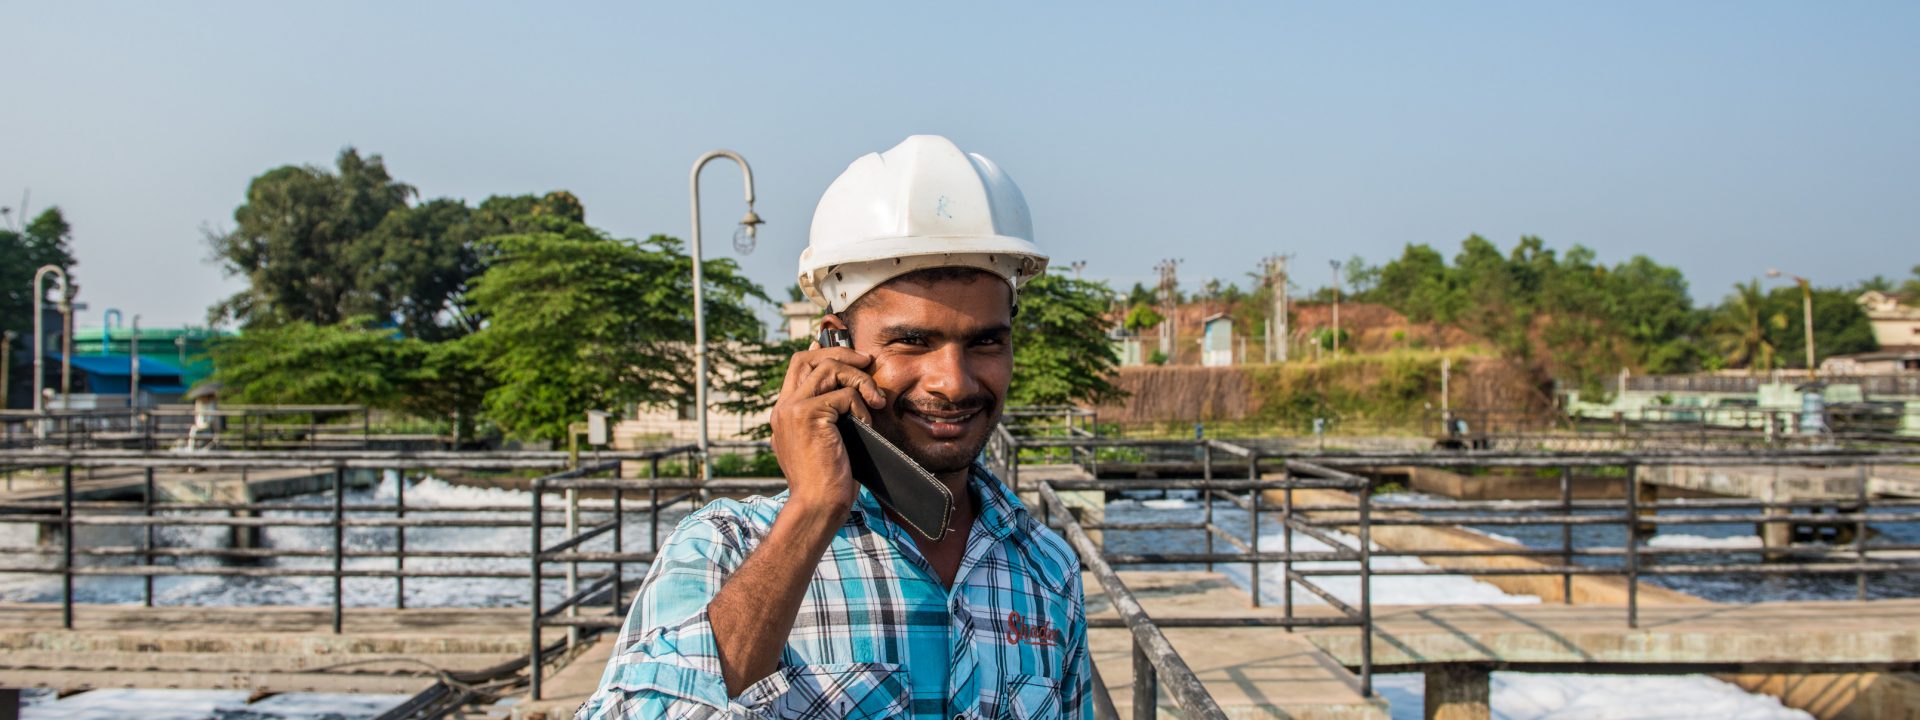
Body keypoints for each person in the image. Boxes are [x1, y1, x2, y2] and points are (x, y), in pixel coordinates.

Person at [578, 135, 1092, 719]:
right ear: (834, 347)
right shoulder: (723, 549)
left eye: (986, 342)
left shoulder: (1047, 568)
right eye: (912, 341)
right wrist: (813, 511)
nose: (954, 381)